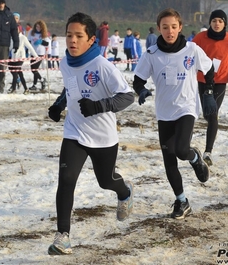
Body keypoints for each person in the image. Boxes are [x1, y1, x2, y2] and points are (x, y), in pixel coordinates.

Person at [47, 12, 134, 255]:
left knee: (105, 181)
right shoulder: (65, 62)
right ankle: (63, 236)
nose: (72, 41)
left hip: (103, 136)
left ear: (91, 39)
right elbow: (71, 88)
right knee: (66, 180)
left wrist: (99, 106)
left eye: (78, 36)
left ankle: (124, 191)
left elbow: (127, 96)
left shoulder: (102, 66)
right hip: (74, 131)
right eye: (68, 35)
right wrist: (58, 105)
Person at [133, 8, 213, 220]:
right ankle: (182, 201)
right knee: (169, 160)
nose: (170, 31)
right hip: (164, 112)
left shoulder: (192, 49)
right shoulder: (151, 54)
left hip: (186, 108)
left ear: (180, 28)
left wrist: (209, 92)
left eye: (174, 27)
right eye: (165, 27)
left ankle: (194, 157)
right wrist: (141, 90)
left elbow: (209, 68)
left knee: (181, 150)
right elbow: (138, 79)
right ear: (159, 28)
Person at [193, 9, 228, 166]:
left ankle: (208, 152)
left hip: (220, 80)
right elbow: (188, 52)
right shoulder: (201, 38)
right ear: (210, 22)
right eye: (214, 21)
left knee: (212, 113)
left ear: (225, 24)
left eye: (220, 21)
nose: (217, 24)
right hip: (202, 80)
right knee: (207, 115)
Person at [8, 23, 38, 94]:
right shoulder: (11, 37)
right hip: (13, 58)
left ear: (20, 29)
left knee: (15, 72)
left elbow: (30, 47)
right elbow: (9, 48)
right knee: (19, 73)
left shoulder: (23, 38)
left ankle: (14, 89)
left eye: (16, 29)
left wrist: (36, 56)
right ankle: (26, 88)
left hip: (20, 58)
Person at [27, 20, 50, 91]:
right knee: (33, 69)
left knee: (34, 69)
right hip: (33, 52)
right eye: (37, 26)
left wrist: (41, 41)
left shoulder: (44, 34)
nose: (38, 28)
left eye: (39, 27)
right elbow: (28, 41)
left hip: (40, 53)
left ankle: (41, 80)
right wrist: (27, 50)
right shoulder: (31, 32)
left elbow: (47, 43)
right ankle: (36, 84)